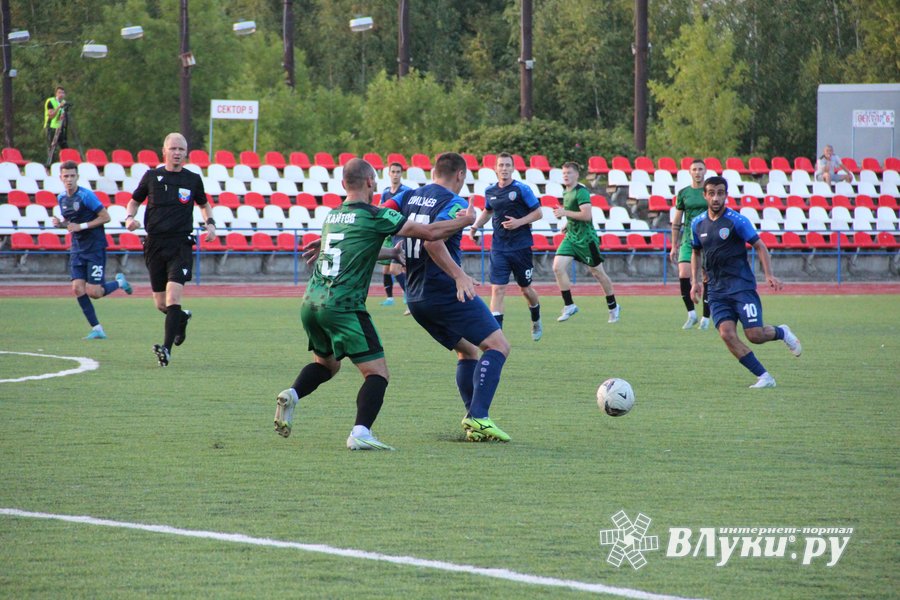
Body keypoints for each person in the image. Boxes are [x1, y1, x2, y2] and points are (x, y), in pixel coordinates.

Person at [273, 158, 476, 450]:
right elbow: (431, 233)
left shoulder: (333, 215)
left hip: (312, 302)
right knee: (377, 373)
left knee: (328, 366)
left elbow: (358, 246)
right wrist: (465, 221)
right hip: (343, 306)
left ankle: (292, 394)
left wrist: (391, 253)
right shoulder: (376, 215)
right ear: (371, 182)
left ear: (343, 184)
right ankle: (361, 432)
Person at [381, 152, 512, 442]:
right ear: (461, 175)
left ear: (434, 172)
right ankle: (479, 416)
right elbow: (433, 243)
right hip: (444, 293)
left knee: (468, 350)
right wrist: (459, 276)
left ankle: (474, 419)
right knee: (499, 345)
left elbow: (378, 215)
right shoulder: (453, 202)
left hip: (416, 299)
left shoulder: (408, 196)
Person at [689, 176, 802, 389]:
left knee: (755, 335)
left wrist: (768, 274)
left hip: (741, 287)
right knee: (727, 334)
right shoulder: (697, 223)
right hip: (716, 290)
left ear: (726, 195)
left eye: (720, 193)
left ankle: (782, 332)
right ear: (705, 195)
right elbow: (696, 252)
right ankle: (764, 377)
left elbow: (759, 246)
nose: (716, 197)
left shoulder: (737, 221)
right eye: (711, 193)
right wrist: (695, 281)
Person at [125, 132, 215, 367]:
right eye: (173, 149)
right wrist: (129, 218)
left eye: (181, 149)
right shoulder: (152, 176)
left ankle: (166, 349)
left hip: (180, 244)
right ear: (164, 151)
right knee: (161, 304)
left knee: (173, 296)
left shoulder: (192, 179)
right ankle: (181, 319)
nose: (177, 153)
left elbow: (204, 205)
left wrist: (210, 224)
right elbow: (134, 200)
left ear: (186, 153)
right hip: (154, 244)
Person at [51, 160, 133, 339]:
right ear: (61, 178)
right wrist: (61, 224)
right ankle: (97, 329)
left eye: (73, 176)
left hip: (94, 247)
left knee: (94, 292)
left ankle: (120, 283)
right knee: (77, 289)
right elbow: (71, 224)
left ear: (77, 177)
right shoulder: (61, 198)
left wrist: (82, 226)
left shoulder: (86, 196)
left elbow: (106, 217)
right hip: (77, 249)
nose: (69, 179)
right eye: (66, 176)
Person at [469, 152, 543, 341]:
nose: (504, 169)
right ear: (495, 168)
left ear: (513, 168)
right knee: (497, 289)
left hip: (521, 247)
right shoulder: (490, 191)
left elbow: (538, 213)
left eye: (508, 165)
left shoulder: (522, 189)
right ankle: (497, 336)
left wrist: (519, 222)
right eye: (501, 165)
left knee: (525, 290)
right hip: (499, 247)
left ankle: (536, 318)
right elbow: (488, 210)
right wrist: (476, 226)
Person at [552, 161, 620, 323]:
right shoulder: (566, 192)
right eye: (564, 173)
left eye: (569, 173)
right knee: (557, 267)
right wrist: (567, 224)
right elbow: (574, 213)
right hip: (571, 238)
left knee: (598, 273)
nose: (566, 176)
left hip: (586, 240)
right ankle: (569, 305)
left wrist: (564, 212)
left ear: (576, 175)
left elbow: (586, 215)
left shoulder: (581, 191)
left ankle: (613, 306)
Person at [670, 158, 711, 330]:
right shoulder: (683, 193)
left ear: (705, 171)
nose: (697, 172)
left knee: (707, 277)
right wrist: (674, 245)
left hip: (708, 240)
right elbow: (677, 221)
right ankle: (691, 314)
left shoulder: (710, 191)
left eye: (700, 169)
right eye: (694, 169)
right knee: (683, 273)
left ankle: (706, 318)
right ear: (690, 172)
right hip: (688, 239)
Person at [377, 162, 412, 308]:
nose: (396, 174)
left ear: (401, 174)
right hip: (389, 234)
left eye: (398, 172)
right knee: (386, 269)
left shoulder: (406, 191)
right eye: (393, 171)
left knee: (397, 268)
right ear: (389, 173)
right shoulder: (385, 192)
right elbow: (380, 208)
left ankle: (410, 296)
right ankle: (390, 298)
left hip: (401, 232)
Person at [44, 86, 68, 155]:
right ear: (56, 94)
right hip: (51, 127)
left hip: (59, 128)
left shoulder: (64, 103)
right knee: (52, 148)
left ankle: (67, 163)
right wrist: (59, 107)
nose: (61, 94)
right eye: (59, 92)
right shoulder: (51, 101)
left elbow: (59, 116)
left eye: (63, 93)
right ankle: (50, 164)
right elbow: (51, 115)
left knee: (65, 147)